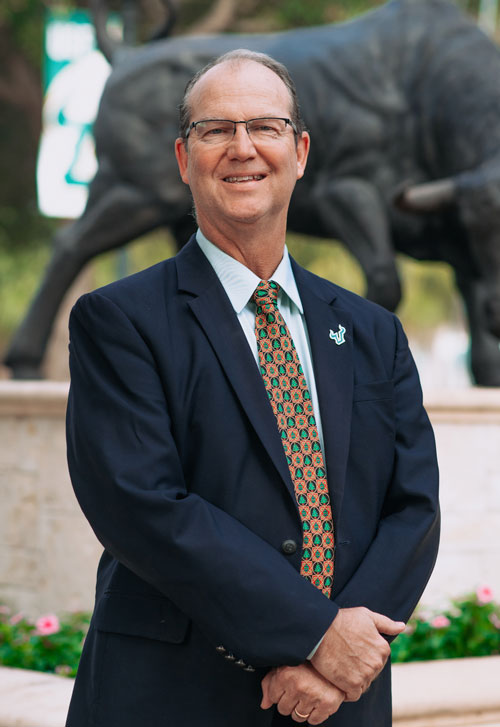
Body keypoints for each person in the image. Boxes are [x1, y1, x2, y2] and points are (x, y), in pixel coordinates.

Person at [65, 49, 440, 727]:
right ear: (185, 159)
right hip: (173, 698)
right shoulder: (117, 321)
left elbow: (412, 509)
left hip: (340, 705)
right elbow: (144, 506)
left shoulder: (372, 331)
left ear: (298, 151)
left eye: (264, 128)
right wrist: (315, 633)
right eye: (216, 130)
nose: (243, 148)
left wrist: (341, 656)